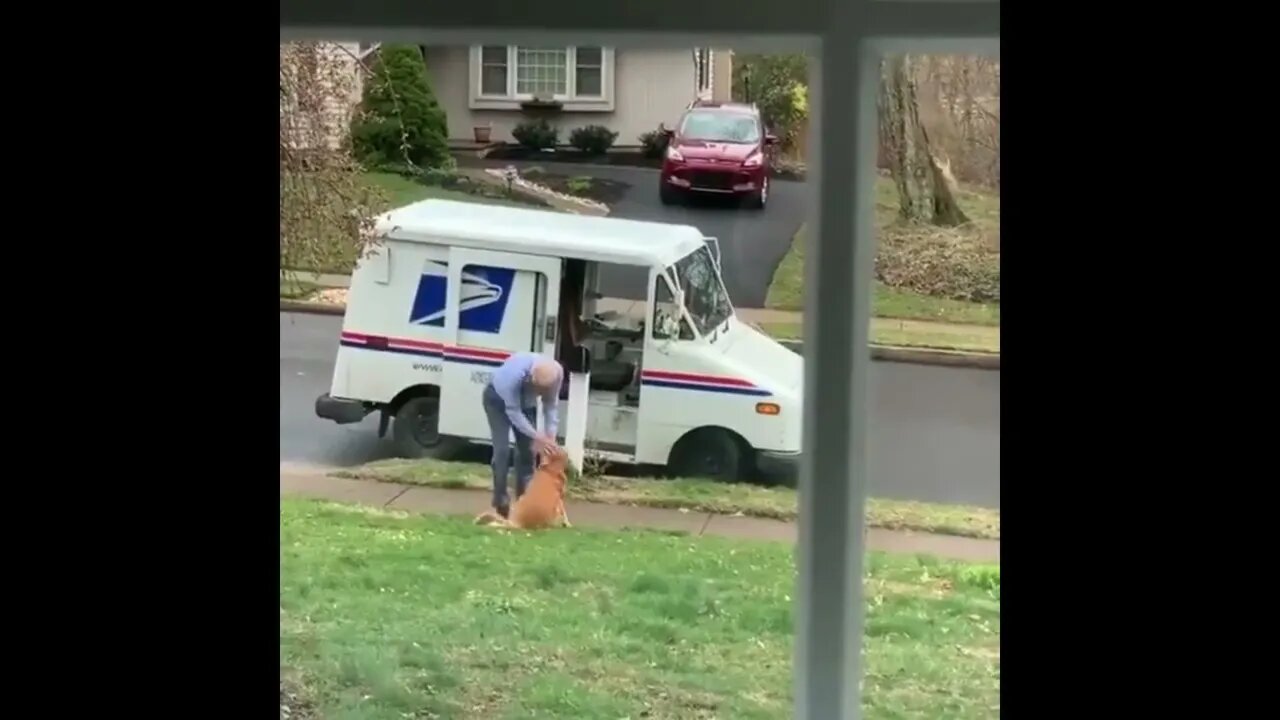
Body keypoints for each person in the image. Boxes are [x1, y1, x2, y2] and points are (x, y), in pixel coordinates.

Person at [482, 352, 563, 518]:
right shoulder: (512, 377)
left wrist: (550, 438)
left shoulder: (556, 373)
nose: (539, 394)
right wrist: (538, 436)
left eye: (543, 391)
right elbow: (514, 413)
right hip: (497, 400)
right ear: (530, 378)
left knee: (527, 452)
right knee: (502, 451)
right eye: (537, 389)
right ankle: (501, 501)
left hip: (526, 404)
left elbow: (550, 407)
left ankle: (524, 502)